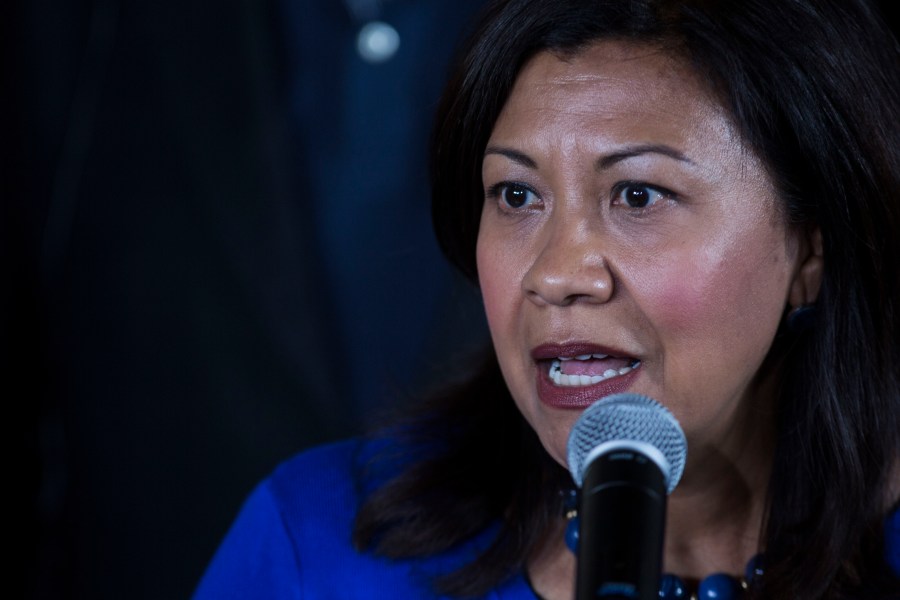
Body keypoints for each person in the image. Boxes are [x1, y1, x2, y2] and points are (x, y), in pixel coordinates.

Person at [193, 0, 900, 598]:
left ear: (811, 249)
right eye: (517, 195)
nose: (556, 274)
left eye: (638, 195)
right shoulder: (317, 547)